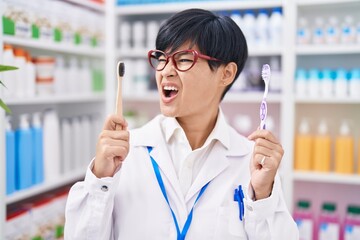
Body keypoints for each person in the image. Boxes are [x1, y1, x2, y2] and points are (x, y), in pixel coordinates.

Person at [65, 8, 299, 240]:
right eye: (162, 59)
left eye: (183, 59)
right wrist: (100, 179)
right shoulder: (125, 153)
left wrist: (262, 196)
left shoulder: (251, 162)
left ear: (226, 74)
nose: (166, 71)